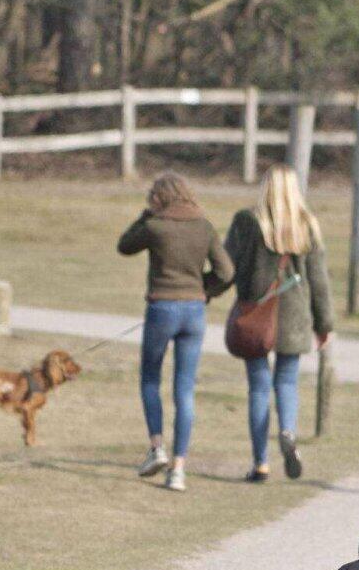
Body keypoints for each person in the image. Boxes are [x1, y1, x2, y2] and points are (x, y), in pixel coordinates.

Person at [117, 172, 234, 492]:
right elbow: (227, 271)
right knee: (185, 389)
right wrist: (204, 290)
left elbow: (124, 245)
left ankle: (157, 448)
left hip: (161, 309)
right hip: (194, 312)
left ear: (160, 198)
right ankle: (179, 469)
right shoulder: (205, 226)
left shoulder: (155, 227)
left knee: (150, 379)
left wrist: (145, 215)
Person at [224, 164, 334, 483]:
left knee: (258, 386)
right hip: (295, 316)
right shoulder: (307, 225)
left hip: (256, 316)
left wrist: (205, 290)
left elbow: (227, 266)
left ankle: (260, 462)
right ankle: (287, 431)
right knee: (287, 381)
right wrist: (324, 323)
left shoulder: (247, 222)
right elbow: (319, 280)